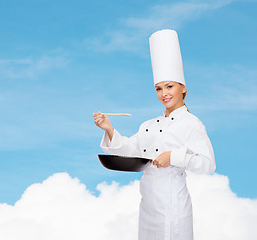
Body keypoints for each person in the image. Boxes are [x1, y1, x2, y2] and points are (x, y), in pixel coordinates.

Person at [93, 29, 216, 240]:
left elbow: (208, 164)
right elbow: (129, 151)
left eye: (169, 86)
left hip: (173, 206)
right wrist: (109, 130)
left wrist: (174, 157)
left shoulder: (191, 123)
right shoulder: (148, 125)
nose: (164, 94)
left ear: (183, 88)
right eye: (158, 89)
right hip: (148, 204)